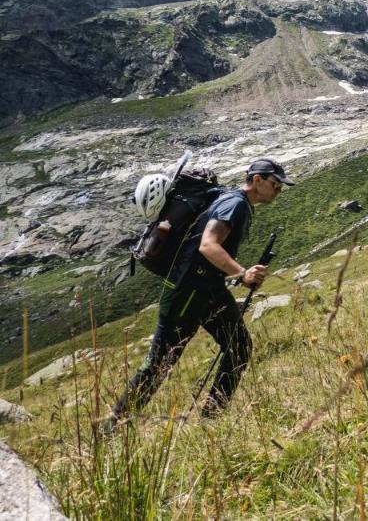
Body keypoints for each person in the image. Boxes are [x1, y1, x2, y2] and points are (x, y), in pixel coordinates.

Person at [106, 158, 293, 425]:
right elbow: (208, 245)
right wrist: (242, 274)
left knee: (239, 346)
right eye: (275, 184)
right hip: (187, 292)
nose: (279, 190)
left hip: (207, 289)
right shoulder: (236, 204)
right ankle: (113, 429)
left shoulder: (232, 201)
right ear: (257, 180)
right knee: (159, 365)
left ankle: (212, 419)